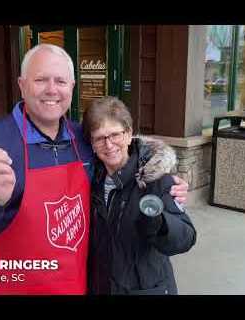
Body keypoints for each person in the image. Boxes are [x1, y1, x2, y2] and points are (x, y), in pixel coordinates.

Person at [0, 44, 189, 295]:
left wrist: (162, 178)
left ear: (71, 87)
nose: (52, 89)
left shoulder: (82, 138)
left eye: (60, 81)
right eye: (41, 80)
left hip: (76, 283)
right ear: (22, 84)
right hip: (4, 285)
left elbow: (125, 156)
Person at [83, 96, 196, 295]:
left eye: (115, 135)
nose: (109, 145)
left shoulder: (156, 177)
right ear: (91, 143)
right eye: (100, 138)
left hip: (144, 288)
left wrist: (162, 225)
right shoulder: (91, 181)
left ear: (128, 134)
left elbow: (186, 238)